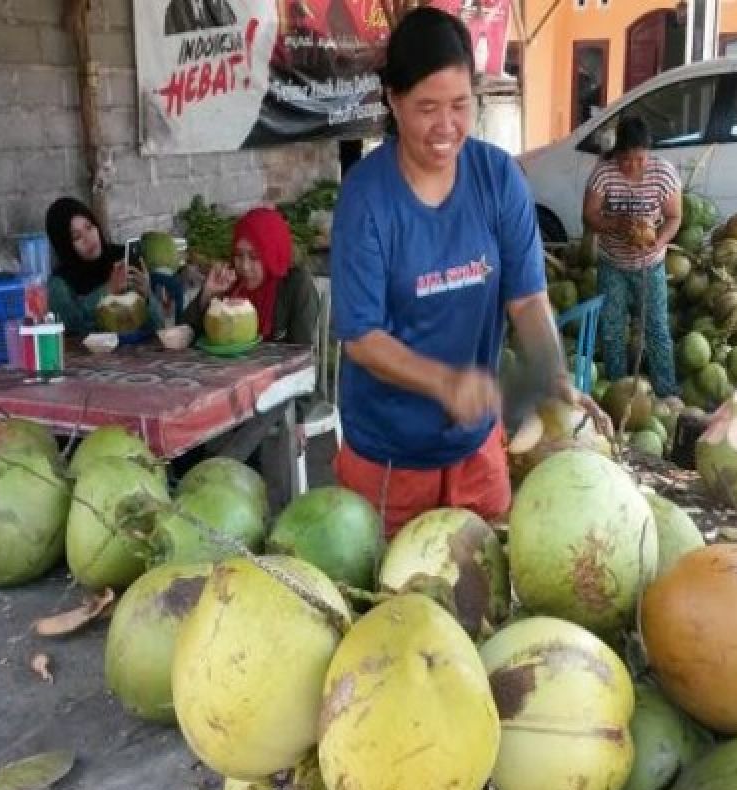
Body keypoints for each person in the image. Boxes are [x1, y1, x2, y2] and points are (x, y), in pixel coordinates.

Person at [330, 7, 611, 536]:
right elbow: (362, 338)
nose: (446, 126)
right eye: (427, 107)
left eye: (461, 105)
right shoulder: (366, 199)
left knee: (488, 592)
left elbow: (527, 299)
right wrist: (446, 382)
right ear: (394, 99)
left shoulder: (497, 176)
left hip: (479, 453)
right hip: (390, 461)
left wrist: (551, 369)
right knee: (394, 603)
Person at [582, 115, 682, 398]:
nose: (634, 166)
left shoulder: (663, 174)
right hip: (612, 264)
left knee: (657, 329)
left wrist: (658, 241)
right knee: (612, 330)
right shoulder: (604, 173)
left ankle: (666, 392)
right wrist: (615, 223)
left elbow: (675, 216)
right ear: (617, 153)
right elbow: (589, 216)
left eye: (640, 159)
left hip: (651, 265)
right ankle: (618, 391)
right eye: (627, 160)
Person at [182, 207, 320, 346]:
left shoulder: (296, 285)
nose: (244, 266)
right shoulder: (229, 282)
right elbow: (183, 336)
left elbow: (301, 352)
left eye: (254, 257)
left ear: (272, 256)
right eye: (239, 255)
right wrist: (207, 295)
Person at [44, 197, 167, 336]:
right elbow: (70, 326)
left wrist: (147, 296)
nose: (88, 238)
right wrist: (108, 290)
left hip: (139, 352)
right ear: (64, 246)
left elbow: (159, 326)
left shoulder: (122, 259)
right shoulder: (59, 284)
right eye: (77, 237)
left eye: (89, 227)